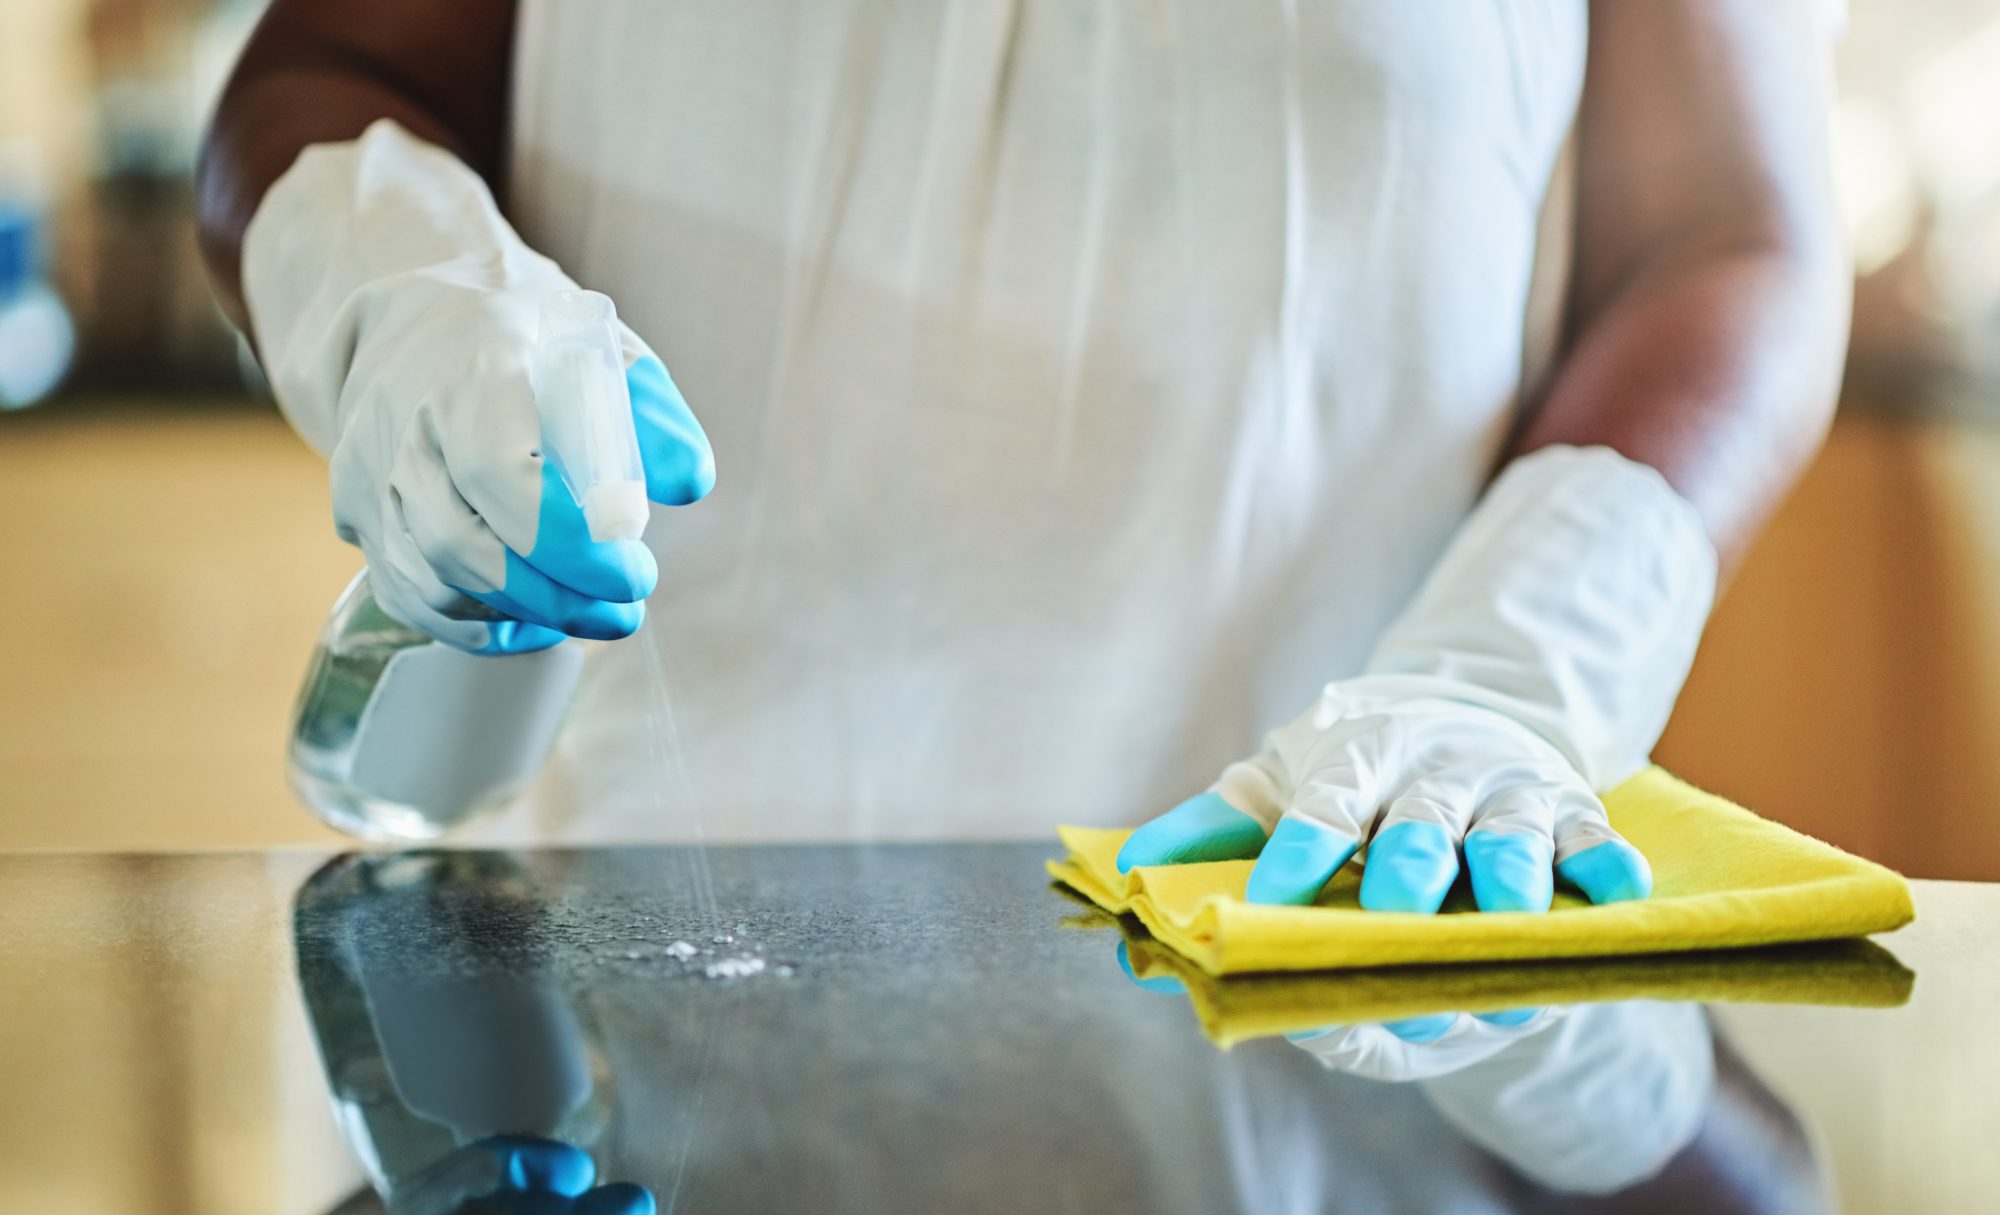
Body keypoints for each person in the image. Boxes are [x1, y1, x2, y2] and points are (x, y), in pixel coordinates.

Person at [197, 2, 1849, 911]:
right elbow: (336, 67)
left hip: (1341, 963)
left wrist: (1522, 663)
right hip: (609, 1007)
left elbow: (1718, 233)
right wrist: (397, 289)